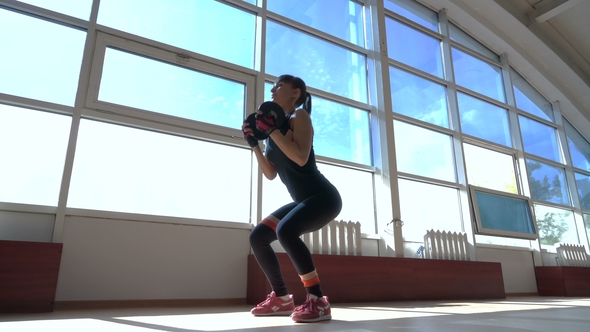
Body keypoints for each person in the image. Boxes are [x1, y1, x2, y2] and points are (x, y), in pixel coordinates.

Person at [242, 75, 342, 323]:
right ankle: (281, 298)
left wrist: (272, 130)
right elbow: (270, 173)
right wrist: (255, 143)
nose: (273, 89)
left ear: (295, 93)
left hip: (323, 197)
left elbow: (300, 157)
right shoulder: (271, 134)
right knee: (258, 236)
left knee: (286, 230)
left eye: (279, 86)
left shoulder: (300, 118)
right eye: (273, 86)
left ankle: (318, 300)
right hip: (302, 200)